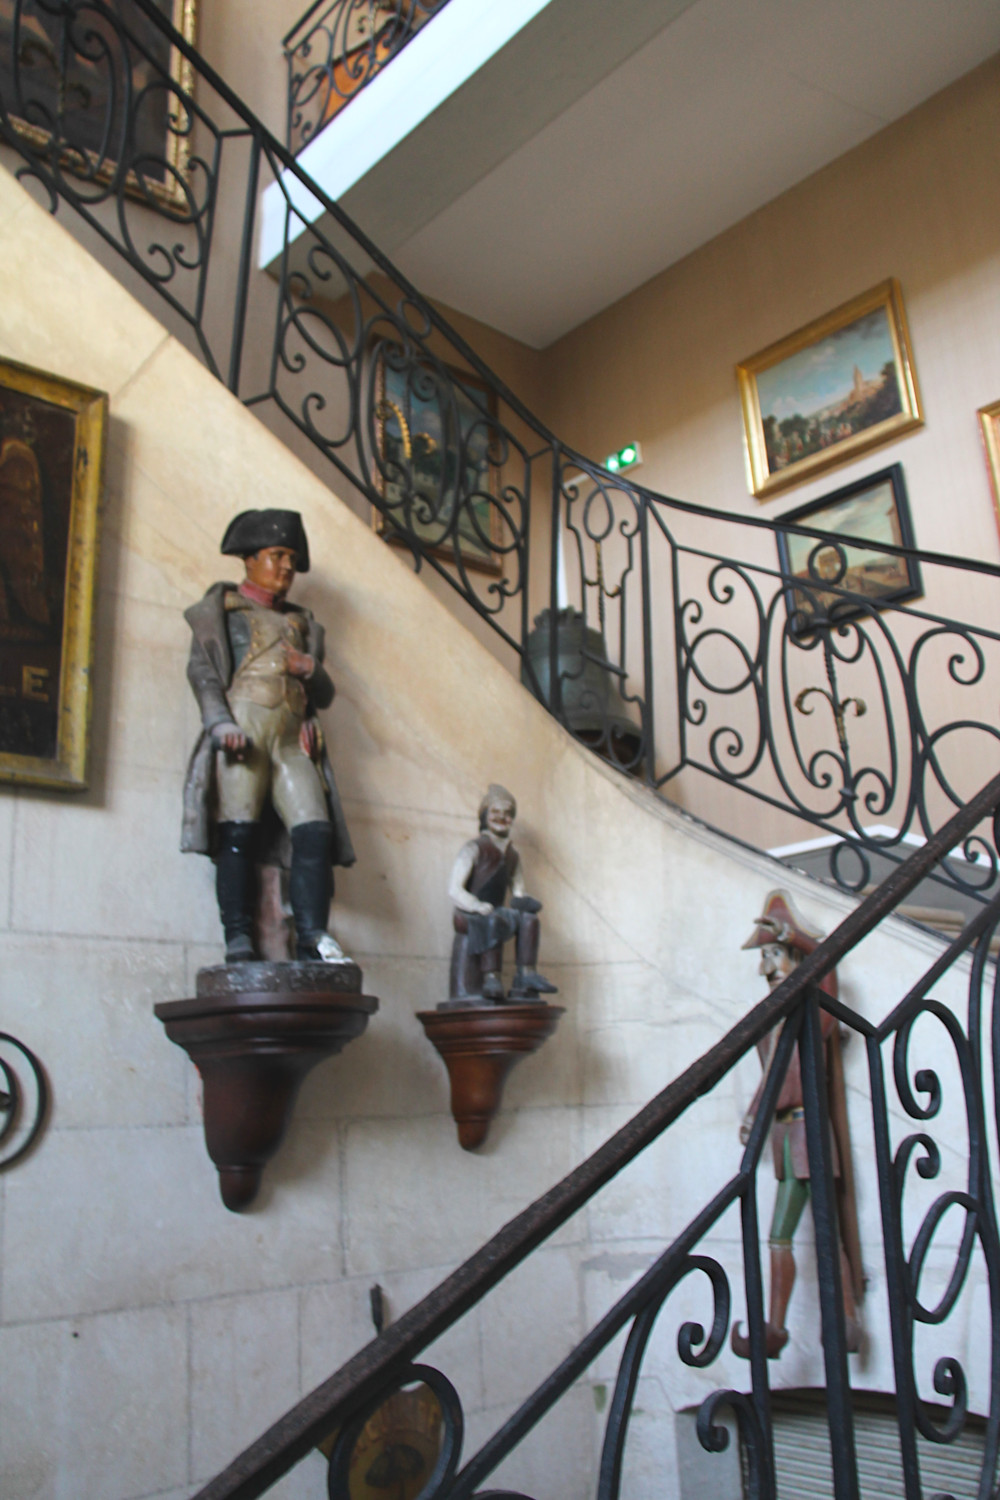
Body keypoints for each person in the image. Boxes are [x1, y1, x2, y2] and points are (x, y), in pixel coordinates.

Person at [181, 509, 355, 963]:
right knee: (237, 832)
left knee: (314, 831)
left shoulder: (302, 624)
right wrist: (221, 724)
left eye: (292, 560)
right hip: (245, 735)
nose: (286, 568)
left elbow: (325, 695)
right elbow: (204, 674)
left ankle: (313, 937)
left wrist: (310, 669)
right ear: (250, 559)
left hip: (292, 741)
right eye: (277, 556)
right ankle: (237, 936)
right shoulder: (224, 611)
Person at [730, 891, 863, 1359]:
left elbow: (827, 969)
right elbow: (772, 1078)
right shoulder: (772, 1020)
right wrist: (754, 1115)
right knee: (790, 1234)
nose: (766, 967)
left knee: (814, 1231)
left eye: (774, 954)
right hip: (786, 1135)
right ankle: (784, 1326)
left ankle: (836, 1318)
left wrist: (798, 938)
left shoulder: (811, 1014)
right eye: (765, 956)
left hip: (808, 1132)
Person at [446, 784, 557, 1004]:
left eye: (507, 813)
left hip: (495, 910)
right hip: (470, 913)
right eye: (496, 812)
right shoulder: (473, 848)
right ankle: (491, 977)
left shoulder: (512, 855)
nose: (502, 817)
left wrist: (525, 904)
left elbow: (518, 891)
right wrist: (476, 905)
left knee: (529, 920)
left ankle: (526, 975)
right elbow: (454, 889)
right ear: (485, 815)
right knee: (493, 919)